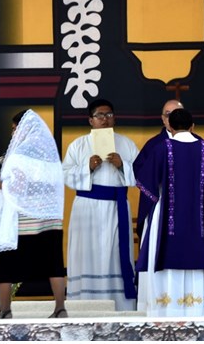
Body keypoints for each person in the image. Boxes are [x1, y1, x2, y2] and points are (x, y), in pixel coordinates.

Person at [135, 108, 204, 317]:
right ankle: (194, 308)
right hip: (198, 221)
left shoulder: (161, 148)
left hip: (165, 220)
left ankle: (166, 308)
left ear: (169, 126)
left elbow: (145, 183)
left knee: (164, 255)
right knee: (195, 256)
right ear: (193, 126)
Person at [0, 109, 67, 318]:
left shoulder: (19, 155)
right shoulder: (48, 154)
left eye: (15, 129)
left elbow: (17, 188)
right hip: (49, 218)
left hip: (22, 219)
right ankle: (60, 308)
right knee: (53, 263)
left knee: (4, 259)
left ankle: (4, 309)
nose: (13, 134)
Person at [62, 99, 139, 311]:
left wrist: (123, 165)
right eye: (100, 116)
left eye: (109, 115)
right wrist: (87, 168)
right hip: (87, 209)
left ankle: (120, 307)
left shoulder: (126, 144)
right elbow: (65, 175)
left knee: (114, 253)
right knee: (87, 253)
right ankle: (84, 306)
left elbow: (142, 175)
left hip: (116, 209)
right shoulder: (78, 145)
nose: (105, 120)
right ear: (90, 120)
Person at [133, 99, 184, 240]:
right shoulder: (154, 145)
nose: (173, 118)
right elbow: (139, 171)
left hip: (187, 204)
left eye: (177, 113)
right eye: (168, 114)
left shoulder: (197, 144)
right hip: (160, 204)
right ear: (163, 119)